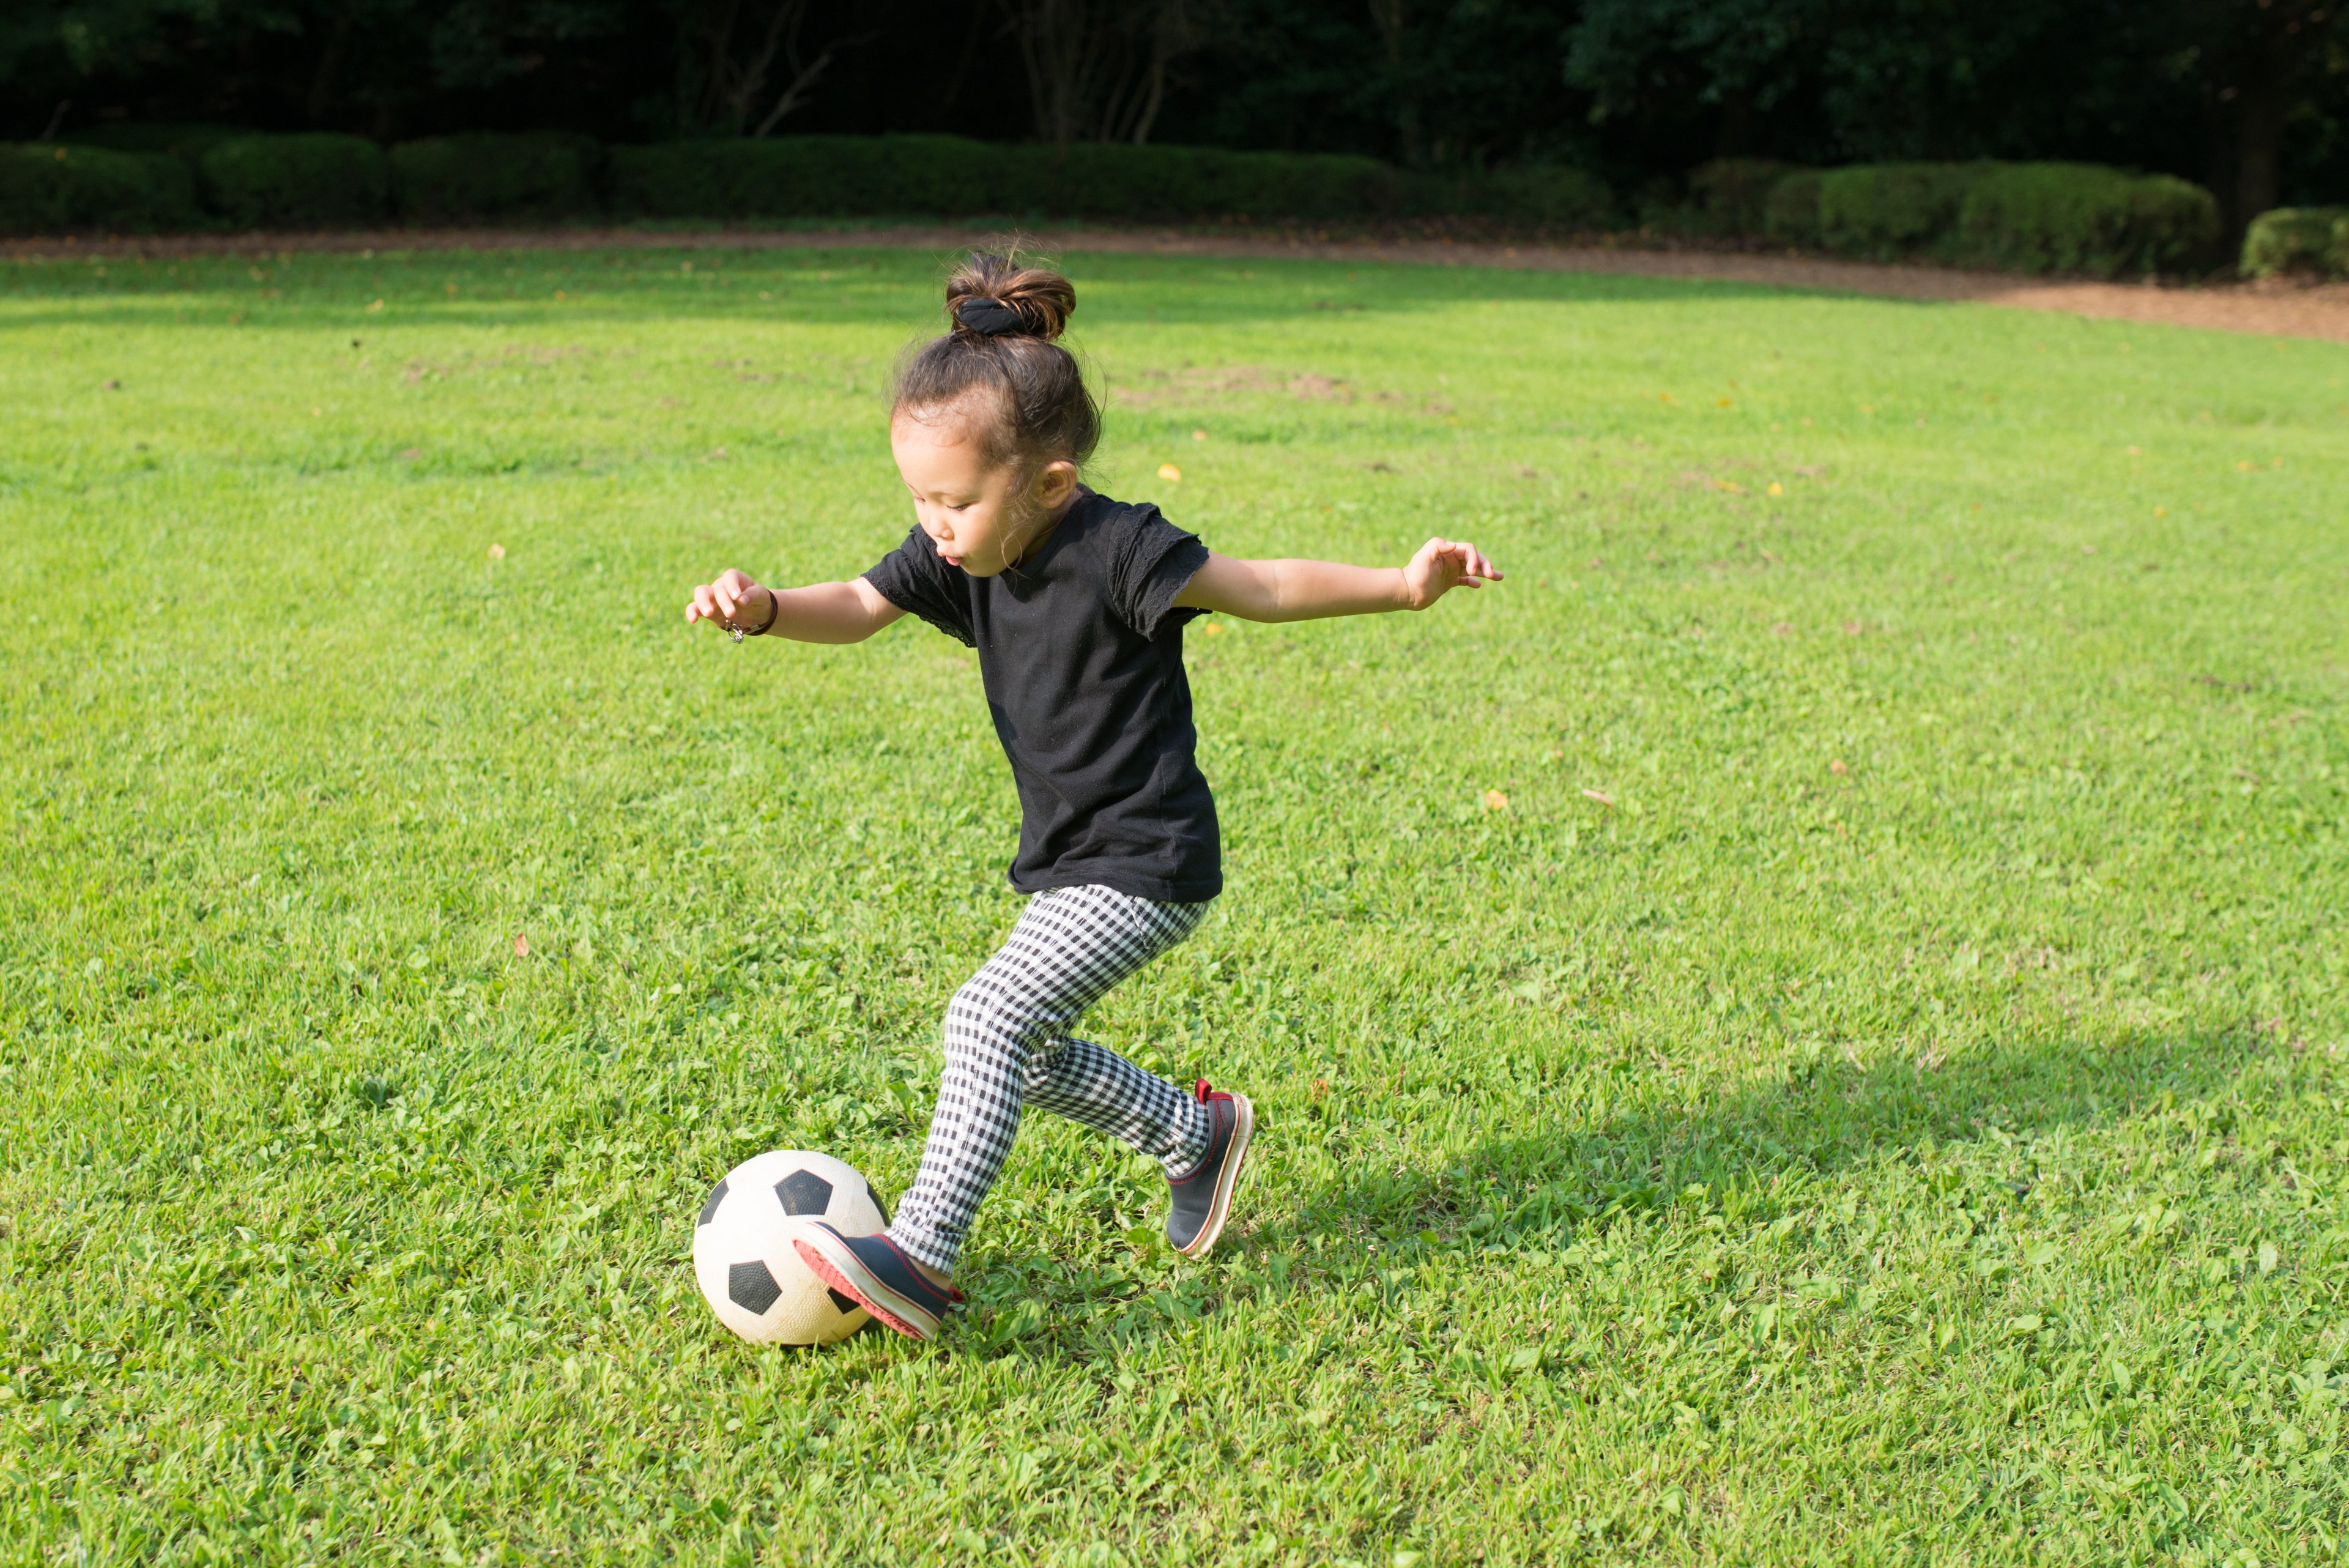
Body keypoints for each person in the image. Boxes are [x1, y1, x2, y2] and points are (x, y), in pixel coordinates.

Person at [685, 251, 1501, 1341]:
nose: (933, 522)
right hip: (1072, 863)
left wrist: (1403, 587)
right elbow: (859, 603)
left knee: (982, 1017)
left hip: (1149, 857)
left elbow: (1258, 585)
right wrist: (767, 607)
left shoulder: (1119, 547)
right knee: (1012, 1045)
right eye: (918, 497)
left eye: (955, 499)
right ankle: (1189, 1134)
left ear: (1050, 483)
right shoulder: (958, 554)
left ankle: (920, 1252)